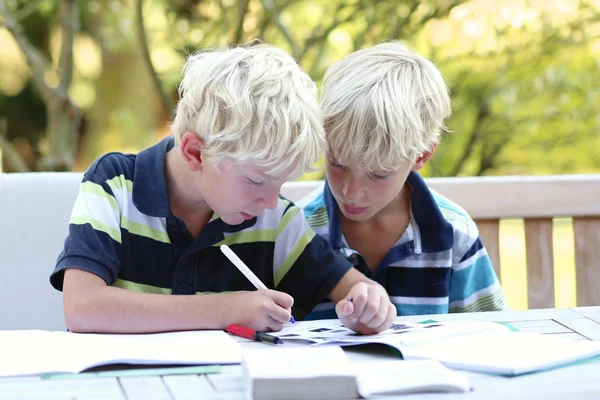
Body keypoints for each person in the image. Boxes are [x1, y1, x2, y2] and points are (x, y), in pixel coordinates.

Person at [50, 43, 395, 335]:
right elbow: (82, 307)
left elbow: (354, 289)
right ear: (196, 152)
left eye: (280, 183)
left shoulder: (275, 219)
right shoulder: (114, 184)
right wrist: (227, 308)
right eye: (257, 181)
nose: (270, 200)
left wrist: (370, 304)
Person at [300, 42, 509, 319]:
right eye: (338, 164)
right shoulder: (297, 231)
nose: (352, 192)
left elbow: (490, 333)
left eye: (378, 174)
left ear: (421, 156)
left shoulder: (454, 234)